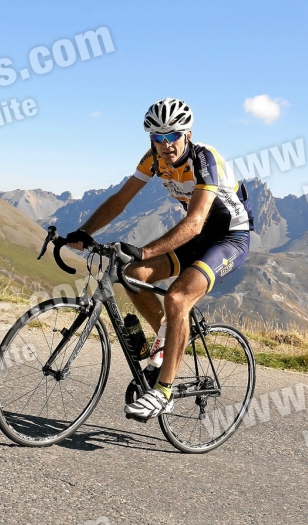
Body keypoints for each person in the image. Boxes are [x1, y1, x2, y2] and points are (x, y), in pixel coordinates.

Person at [66, 97, 254, 419]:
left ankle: (164, 392)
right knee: (134, 276)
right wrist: (84, 232)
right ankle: (168, 342)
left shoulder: (204, 159)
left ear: (188, 134)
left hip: (229, 238)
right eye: (158, 138)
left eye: (173, 136)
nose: (166, 145)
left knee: (178, 298)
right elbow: (120, 200)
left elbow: (194, 223)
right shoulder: (152, 159)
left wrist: (144, 250)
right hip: (198, 235)